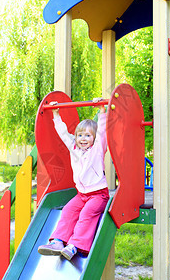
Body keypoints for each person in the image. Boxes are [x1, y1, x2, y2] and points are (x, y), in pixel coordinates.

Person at [38, 98, 109, 260]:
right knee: (68, 211)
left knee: (86, 214)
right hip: (81, 195)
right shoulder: (74, 148)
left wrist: (102, 111)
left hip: (99, 195)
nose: (83, 139)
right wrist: (56, 114)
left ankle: (75, 245)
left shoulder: (97, 149)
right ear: (75, 137)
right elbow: (63, 133)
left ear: (94, 138)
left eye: (88, 135)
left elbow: (102, 133)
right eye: (80, 135)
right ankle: (58, 242)